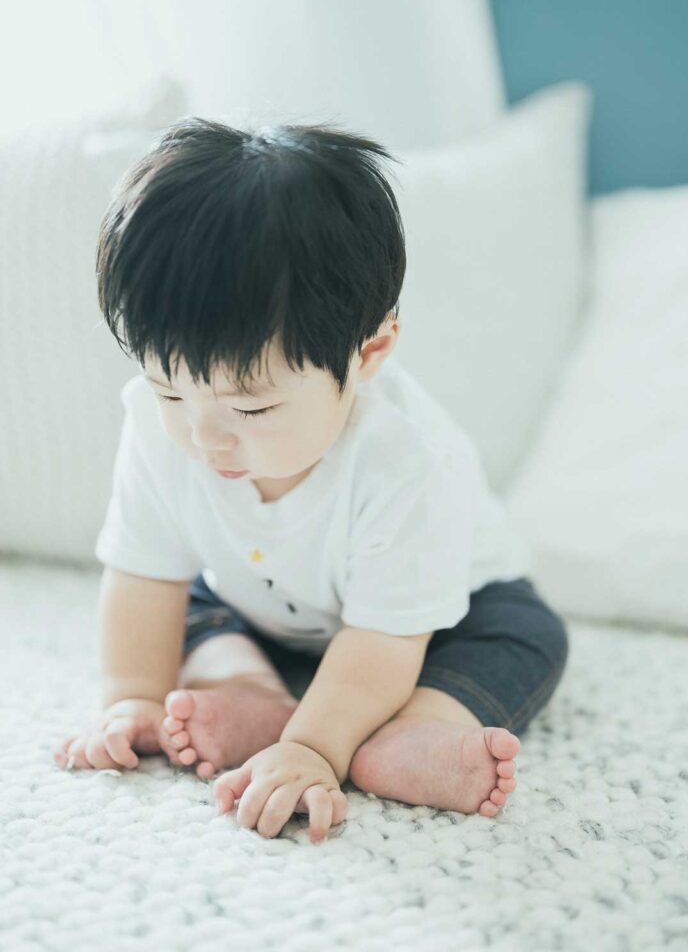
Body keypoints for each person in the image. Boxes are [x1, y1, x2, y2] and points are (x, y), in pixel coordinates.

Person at [53, 117, 569, 843]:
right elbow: (142, 577)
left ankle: (416, 724)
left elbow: (386, 637)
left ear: (369, 353)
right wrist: (132, 696)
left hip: (434, 617)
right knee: (192, 612)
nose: (205, 435)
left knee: (523, 637)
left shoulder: (408, 460)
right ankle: (249, 691)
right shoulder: (154, 425)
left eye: (252, 404)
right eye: (171, 390)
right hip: (264, 603)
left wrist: (314, 749)